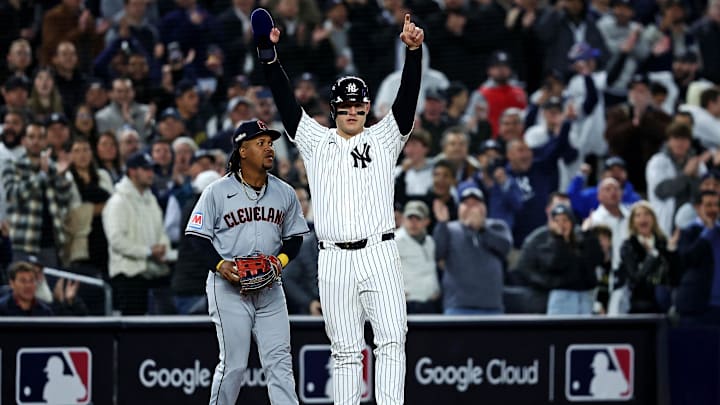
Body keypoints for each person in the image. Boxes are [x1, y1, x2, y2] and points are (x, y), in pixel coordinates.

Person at [253, 9, 424, 404]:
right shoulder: (316, 141)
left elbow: (406, 102)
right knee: (345, 351)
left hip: (379, 251)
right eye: (345, 107)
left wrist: (413, 54)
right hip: (333, 259)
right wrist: (269, 55)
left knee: (392, 341)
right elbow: (285, 101)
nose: (352, 112)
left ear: (367, 108)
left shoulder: (384, 138)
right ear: (334, 109)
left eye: (359, 106)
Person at [184, 119, 308, 404]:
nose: (269, 149)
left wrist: (280, 261)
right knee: (234, 365)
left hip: (270, 287)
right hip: (228, 287)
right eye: (260, 143)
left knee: (280, 363)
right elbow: (196, 237)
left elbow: (295, 238)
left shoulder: (285, 192)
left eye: (271, 143)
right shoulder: (216, 191)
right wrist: (220, 265)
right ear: (242, 150)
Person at [103, 151, 175, 315]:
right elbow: (117, 240)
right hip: (128, 275)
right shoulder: (118, 201)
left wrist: (162, 248)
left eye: (152, 169)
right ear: (132, 172)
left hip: (152, 271)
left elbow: (161, 231)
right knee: (133, 332)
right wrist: (148, 251)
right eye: (146, 169)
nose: (151, 173)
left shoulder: (151, 200)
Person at [433, 187, 512, 314]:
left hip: (492, 306)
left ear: (484, 208)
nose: (470, 208)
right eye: (466, 204)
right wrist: (442, 224)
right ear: (459, 208)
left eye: (475, 204)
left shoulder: (497, 226)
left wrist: (481, 229)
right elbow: (437, 254)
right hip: (457, 305)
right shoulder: (449, 229)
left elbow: (505, 248)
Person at [617, 201, 680, 313]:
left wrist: (672, 252)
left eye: (647, 214)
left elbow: (675, 277)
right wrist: (652, 255)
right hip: (639, 305)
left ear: (653, 219)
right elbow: (635, 278)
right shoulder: (628, 245)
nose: (643, 218)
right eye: (638, 215)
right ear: (633, 222)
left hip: (664, 304)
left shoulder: (663, 243)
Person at [396, 200, 440, 314]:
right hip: (405, 304)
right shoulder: (394, 241)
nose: (413, 223)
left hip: (430, 303)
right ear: (403, 220)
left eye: (418, 219)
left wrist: (435, 289)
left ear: (427, 221)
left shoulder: (430, 241)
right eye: (410, 218)